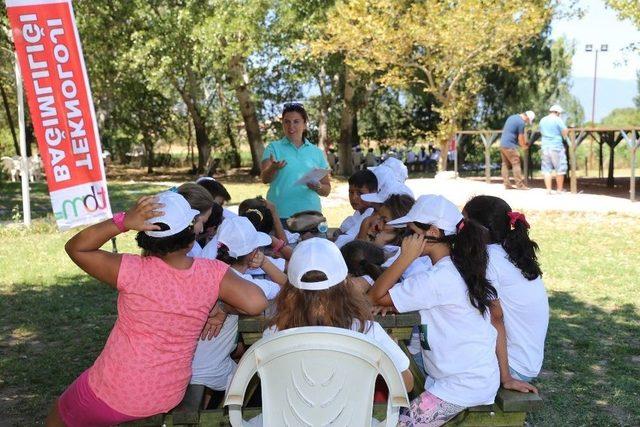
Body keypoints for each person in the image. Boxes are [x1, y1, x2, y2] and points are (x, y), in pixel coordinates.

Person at [46, 191, 269, 427]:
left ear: (146, 236)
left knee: (56, 418)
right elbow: (257, 302)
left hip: (117, 390)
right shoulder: (211, 273)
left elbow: (77, 248)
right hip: (168, 391)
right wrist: (221, 305)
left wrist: (122, 221)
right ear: (191, 236)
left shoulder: (131, 270)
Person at [368, 195, 500, 426]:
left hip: (463, 384)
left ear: (434, 233)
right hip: (466, 376)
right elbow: (385, 298)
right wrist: (393, 303)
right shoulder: (455, 267)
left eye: (410, 233)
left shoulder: (438, 279)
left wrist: (405, 259)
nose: (405, 240)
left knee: (401, 424)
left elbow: (373, 297)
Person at [265, 238, 414, 394]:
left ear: (289, 290)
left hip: (287, 418)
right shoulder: (367, 331)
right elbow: (406, 384)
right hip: (354, 418)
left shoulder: (273, 332)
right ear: (346, 285)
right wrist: (389, 353)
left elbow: (270, 383)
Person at [191, 216, 287, 407]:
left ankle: (206, 405)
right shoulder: (248, 286)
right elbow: (287, 286)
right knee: (263, 374)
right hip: (212, 370)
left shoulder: (201, 270)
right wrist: (265, 263)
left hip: (184, 364)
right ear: (253, 255)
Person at [463, 195, 549, 385]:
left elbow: (496, 318)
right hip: (526, 362)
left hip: (512, 366)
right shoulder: (508, 250)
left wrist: (506, 377)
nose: (459, 229)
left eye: (463, 223)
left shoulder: (489, 259)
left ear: (478, 230)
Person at [260, 103, 331, 220]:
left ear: (305, 124)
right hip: (279, 215)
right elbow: (265, 179)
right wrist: (273, 168)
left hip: (311, 216)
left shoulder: (317, 152)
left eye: (296, 121)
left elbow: (327, 190)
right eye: (287, 122)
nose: (291, 126)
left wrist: (318, 187)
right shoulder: (273, 148)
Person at [334, 169, 378, 248]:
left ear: (373, 193)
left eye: (360, 193)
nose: (354, 198)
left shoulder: (371, 214)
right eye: (351, 192)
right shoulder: (359, 212)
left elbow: (346, 241)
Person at [500, 111, 535, 190]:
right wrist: (524, 146)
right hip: (509, 145)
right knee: (516, 162)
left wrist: (521, 144)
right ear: (527, 117)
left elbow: (511, 132)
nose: (526, 122)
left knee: (505, 164)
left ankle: (507, 184)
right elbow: (520, 137)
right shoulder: (521, 123)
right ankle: (519, 185)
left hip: (502, 144)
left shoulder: (512, 117)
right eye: (528, 120)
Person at [539, 105, 569, 194]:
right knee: (560, 168)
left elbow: (541, 131)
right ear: (557, 112)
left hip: (545, 147)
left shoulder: (542, 120)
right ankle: (559, 190)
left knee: (546, 169)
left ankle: (548, 190)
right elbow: (565, 131)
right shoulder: (557, 119)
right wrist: (564, 137)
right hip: (556, 146)